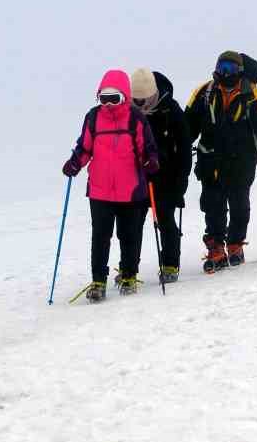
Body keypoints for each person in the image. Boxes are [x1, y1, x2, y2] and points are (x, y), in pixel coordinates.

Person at [62, 69, 161, 302]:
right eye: (103, 98)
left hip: (130, 191)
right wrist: (75, 163)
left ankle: (128, 274)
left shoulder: (135, 118)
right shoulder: (93, 118)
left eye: (113, 98)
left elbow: (148, 148)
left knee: (129, 235)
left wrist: (151, 161)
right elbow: (84, 147)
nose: (107, 104)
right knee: (100, 237)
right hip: (100, 190)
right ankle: (98, 281)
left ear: (125, 97)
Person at [186, 51, 257, 272]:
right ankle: (216, 247)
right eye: (222, 67)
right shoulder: (204, 92)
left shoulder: (252, 94)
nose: (225, 73)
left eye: (230, 69)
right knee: (212, 205)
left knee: (239, 206)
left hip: (241, 161)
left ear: (239, 71)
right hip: (210, 160)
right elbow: (188, 123)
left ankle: (236, 244)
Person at [130, 67, 191, 285]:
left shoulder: (171, 110)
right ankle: (129, 269)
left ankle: (170, 264)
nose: (141, 106)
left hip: (167, 179)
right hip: (136, 180)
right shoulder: (128, 113)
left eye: (144, 100)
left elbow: (185, 148)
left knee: (165, 221)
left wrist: (181, 183)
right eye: (135, 101)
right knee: (132, 225)